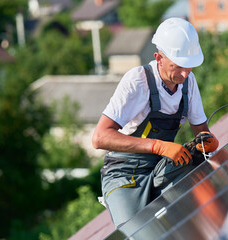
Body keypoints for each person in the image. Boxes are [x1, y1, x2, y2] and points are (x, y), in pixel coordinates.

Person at [92, 17, 219, 227]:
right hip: (125, 175)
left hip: (162, 169)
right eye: (178, 67)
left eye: (190, 67)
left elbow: (202, 133)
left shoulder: (189, 83)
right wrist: (158, 146)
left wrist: (207, 142)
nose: (185, 74)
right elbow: (99, 137)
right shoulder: (138, 82)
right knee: (137, 231)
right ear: (158, 57)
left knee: (197, 210)